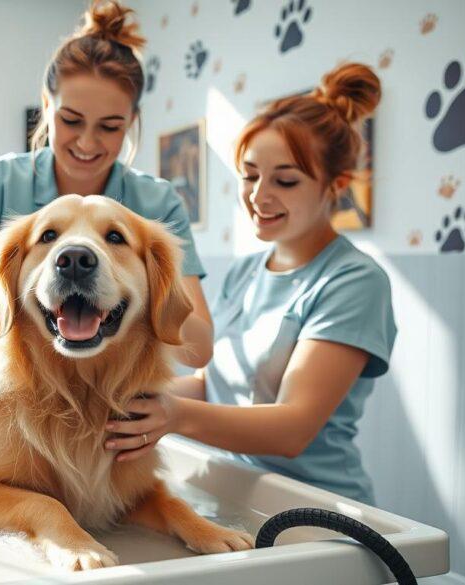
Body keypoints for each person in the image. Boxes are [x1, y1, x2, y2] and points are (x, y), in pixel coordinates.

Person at [105, 63, 396, 505]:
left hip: (316, 508)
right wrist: (120, 399)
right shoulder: (244, 272)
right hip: (224, 492)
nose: (259, 196)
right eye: (250, 174)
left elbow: (293, 429)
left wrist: (173, 414)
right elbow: (210, 385)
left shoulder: (354, 281)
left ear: (335, 186)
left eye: (286, 180)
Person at [0, 0, 213, 367]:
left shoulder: (157, 202)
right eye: (71, 120)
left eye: (110, 126)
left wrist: (149, 288)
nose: (86, 142)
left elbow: (200, 350)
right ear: (46, 106)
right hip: (9, 397)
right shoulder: (1, 181)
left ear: (132, 121)